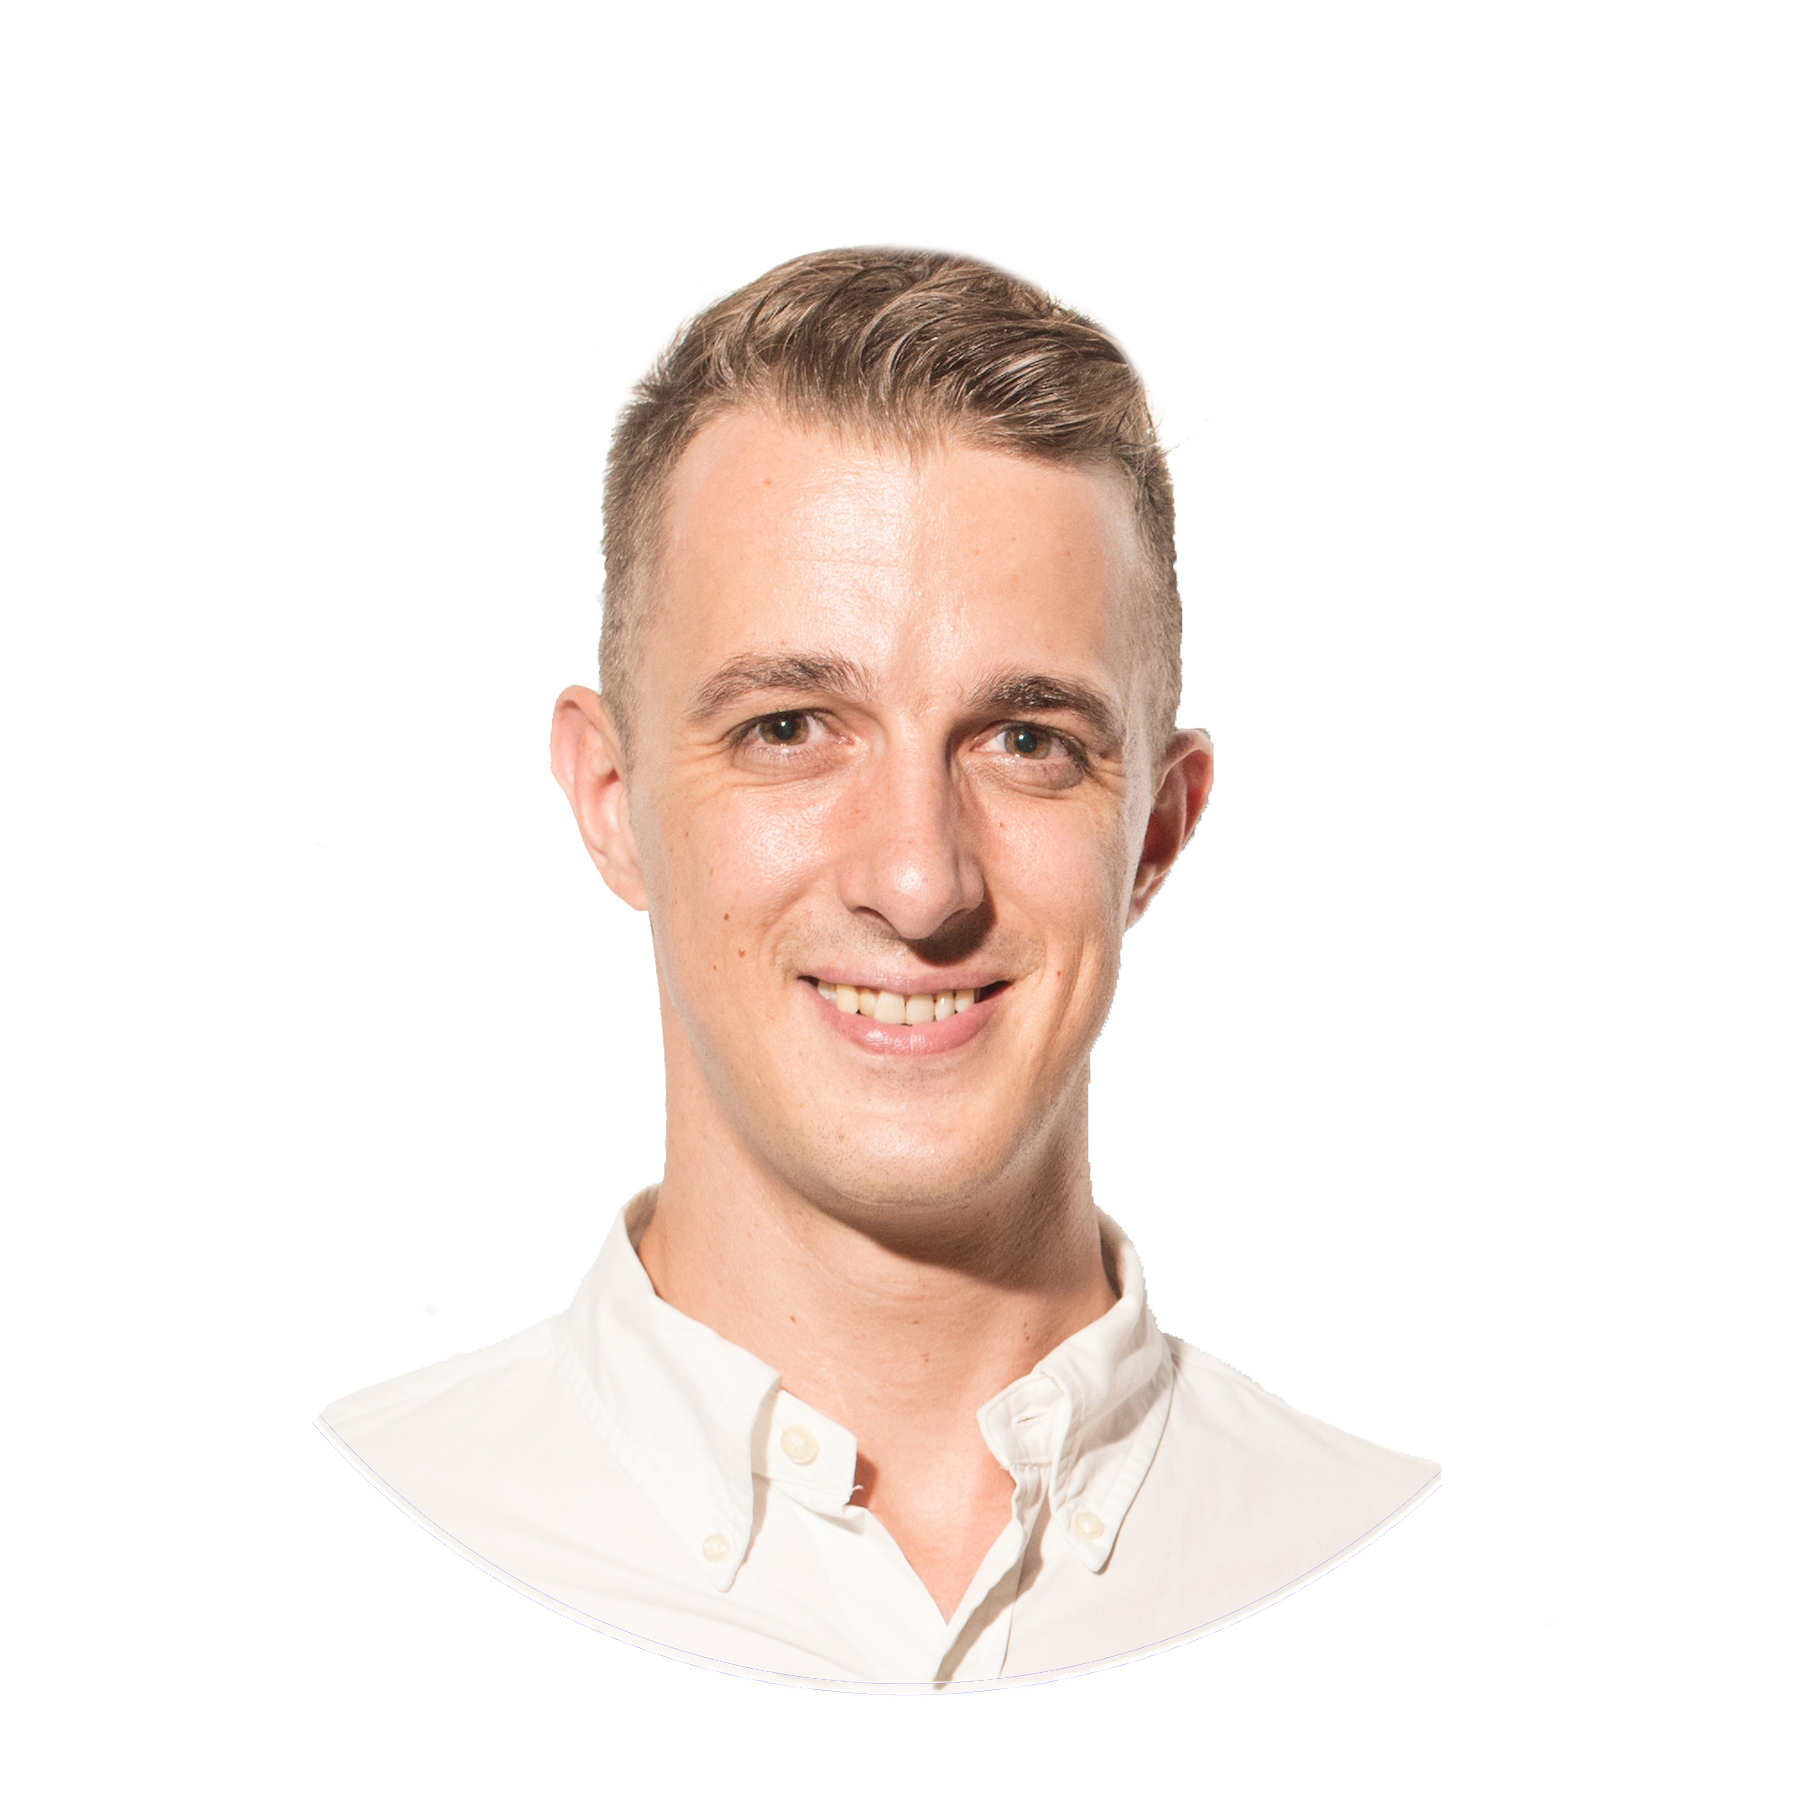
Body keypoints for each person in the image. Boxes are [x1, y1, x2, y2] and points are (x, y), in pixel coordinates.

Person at [317, 247, 1438, 1692]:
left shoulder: (1415, 1588)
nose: (918, 880)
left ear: (1157, 831)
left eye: (1027, 741)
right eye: (789, 728)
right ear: (612, 800)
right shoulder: (328, 1560)